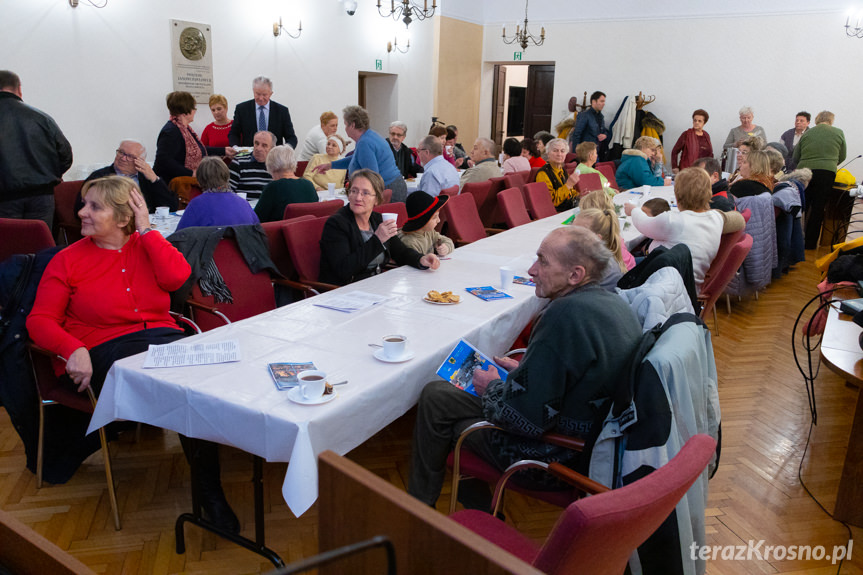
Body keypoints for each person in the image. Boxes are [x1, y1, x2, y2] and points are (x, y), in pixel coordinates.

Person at [25, 176, 240, 532]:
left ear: (123, 219)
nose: (82, 212)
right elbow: (40, 320)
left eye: (95, 206)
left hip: (161, 339)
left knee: (206, 376)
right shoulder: (67, 260)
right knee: (188, 387)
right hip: (104, 349)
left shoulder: (145, 245)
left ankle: (220, 478)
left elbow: (178, 278)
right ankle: (211, 495)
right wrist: (72, 347)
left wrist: (147, 230)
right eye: (84, 204)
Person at [407, 225, 643, 509]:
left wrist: (492, 386)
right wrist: (524, 370)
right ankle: (473, 514)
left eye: (542, 261)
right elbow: (570, 374)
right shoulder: (612, 302)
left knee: (446, 412)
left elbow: (524, 420)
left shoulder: (564, 316)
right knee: (439, 396)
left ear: (575, 274)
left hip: (553, 458)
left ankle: (420, 511)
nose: (531, 270)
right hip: (589, 441)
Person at [626, 167, 745, 288]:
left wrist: (633, 210)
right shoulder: (716, 218)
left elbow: (643, 223)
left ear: (677, 196)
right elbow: (740, 220)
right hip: (692, 284)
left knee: (620, 263)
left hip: (663, 285)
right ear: (709, 193)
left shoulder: (672, 220)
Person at [319, 169, 439, 285]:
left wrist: (421, 259)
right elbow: (344, 269)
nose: (358, 197)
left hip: (375, 285)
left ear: (376, 199)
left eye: (365, 193)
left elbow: (400, 252)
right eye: (354, 191)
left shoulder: (377, 220)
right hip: (344, 290)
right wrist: (378, 239)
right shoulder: (336, 224)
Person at [0, 70, 73, 229]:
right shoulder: (41, 117)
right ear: (19, 89)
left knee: (6, 246)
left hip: (4, 198)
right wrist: (50, 175)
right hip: (42, 196)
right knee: (39, 245)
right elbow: (66, 155)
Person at [311, 105, 408, 202]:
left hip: (389, 190)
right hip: (392, 187)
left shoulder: (364, 142)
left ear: (352, 125)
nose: (345, 129)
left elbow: (372, 177)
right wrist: (331, 165)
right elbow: (356, 159)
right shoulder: (368, 136)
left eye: (346, 125)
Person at [793, 110, 847, 249]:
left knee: (802, 205)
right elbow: (842, 156)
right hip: (827, 173)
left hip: (805, 171)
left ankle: (796, 239)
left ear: (816, 120)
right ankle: (810, 244)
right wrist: (830, 164)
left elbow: (795, 156)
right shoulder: (838, 132)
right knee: (818, 208)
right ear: (831, 120)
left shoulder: (807, 133)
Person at [153, 91, 234, 184]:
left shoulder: (184, 129)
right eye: (193, 108)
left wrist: (224, 151)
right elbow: (163, 161)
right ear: (185, 112)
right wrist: (191, 173)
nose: (195, 111)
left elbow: (199, 149)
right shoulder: (170, 131)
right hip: (174, 186)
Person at [80, 140, 177, 214]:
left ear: (141, 161)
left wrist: (155, 179)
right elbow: (82, 208)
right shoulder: (100, 177)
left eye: (130, 156)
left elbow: (171, 207)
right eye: (121, 152)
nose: (123, 158)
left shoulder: (145, 177)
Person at [176, 157, 259, 230]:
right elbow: (257, 231)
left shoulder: (196, 205)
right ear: (226, 176)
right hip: (243, 246)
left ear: (200, 180)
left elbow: (180, 236)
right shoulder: (244, 203)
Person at [254, 145, 317, 223]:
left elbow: (257, 219)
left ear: (270, 165)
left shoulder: (273, 188)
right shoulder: (308, 185)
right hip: (306, 232)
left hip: (279, 233)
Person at [228, 76, 297, 148]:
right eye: (257, 94)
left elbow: (291, 138)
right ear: (253, 91)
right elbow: (234, 133)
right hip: (250, 155)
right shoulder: (242, 109)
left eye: (264, 95)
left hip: (273, 155)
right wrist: (235, 147)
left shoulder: (282, 111)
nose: (261, 98)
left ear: (271, 93)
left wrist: (286, 150)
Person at [574, 207, 635, 273]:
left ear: (596, 239)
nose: (570, 234)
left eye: (577, 232)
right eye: (572, 228)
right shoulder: (612, 240)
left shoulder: (596, 267)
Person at [398, 191, 454, 256]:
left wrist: (446, 247)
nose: (439, 220)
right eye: (434, 217)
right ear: (423, 221)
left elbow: (447, 240)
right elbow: (417, 263)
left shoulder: (429, 232)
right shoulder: (410, 242)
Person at [536, 138, 580, 211]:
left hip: (569, 209)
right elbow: (551, 202)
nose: (559, 154)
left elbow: (570, 193)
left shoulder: (563, 171)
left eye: (562, 151)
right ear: (548, 153)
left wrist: (579, 195)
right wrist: (568, 185)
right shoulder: (543, 174)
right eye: (555, 151)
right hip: (556, 213)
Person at [228, 131, 275, 198]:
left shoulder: (276, 166)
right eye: (256, 143)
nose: (258, 148)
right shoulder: (238, 162)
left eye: (264, 145)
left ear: (272, 149)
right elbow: (228, 191)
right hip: (244, 206)